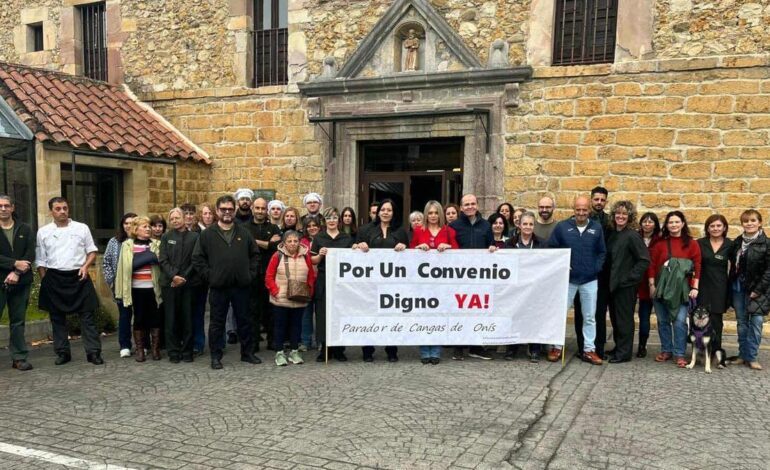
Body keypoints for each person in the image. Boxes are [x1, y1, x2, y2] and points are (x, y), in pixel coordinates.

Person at [192, 195, 261, 369]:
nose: (227, 212)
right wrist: (211, 276)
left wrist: (250, 274)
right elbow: (198, 259)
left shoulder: (244, 232)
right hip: (219, 286)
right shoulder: (208, 234)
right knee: (217, 323)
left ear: (235, 210)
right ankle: (216, 356)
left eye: (230, 209)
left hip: (241, 285)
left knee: (245, 321)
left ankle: (247, 353)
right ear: (217, 211)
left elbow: (255, 256)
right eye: (224, 209)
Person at [36, 197, 103, 366]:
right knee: (57, 318)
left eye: (65, 208)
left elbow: (92, 251)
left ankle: (93, 352)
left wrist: (86, 266)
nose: (62, 211)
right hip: (54, 277)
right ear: (51, 211)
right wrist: (45, 280)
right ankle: (62, 352)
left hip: (79, 276)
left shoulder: (82, 228)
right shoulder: (43, 232)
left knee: (87, 316)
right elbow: (41, 260)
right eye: (58, 209)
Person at [546, 196, 605, 365]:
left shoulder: (596, 228)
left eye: (584, 210)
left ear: (589, 210)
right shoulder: (562, 227)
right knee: (560, 314)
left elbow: (602, 252)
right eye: (578, 209)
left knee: (589, 316)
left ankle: (588, 349)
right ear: (573, 209)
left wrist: (596, 268)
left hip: (589, 280)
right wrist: (562, 265)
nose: (581, 213)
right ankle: (556, 346)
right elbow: (552, 249)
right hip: (568, 280)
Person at [354, 198, 408, 362]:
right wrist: (358, 247)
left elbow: (409, 257)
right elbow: (353, 251)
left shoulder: (400, 231)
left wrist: (404, 248)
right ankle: (367, 350)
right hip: (370, 282)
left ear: (394, 213)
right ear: (378, 212)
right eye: (383, 209)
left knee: (390, 316)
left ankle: (391, 350)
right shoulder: (366, 230)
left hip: (392, 283)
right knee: (369, 315)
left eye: (389, 210)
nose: (386, 212)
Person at [647, 211, 701, 368]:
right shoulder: (659, 244)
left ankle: (679, 353)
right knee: (663, 321)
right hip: (661, 288)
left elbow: (697, 265)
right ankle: (666, 350)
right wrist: (651, 285)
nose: (674, 225)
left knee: (679, 322)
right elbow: (651, 265)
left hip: (681, 289)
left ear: (683, 224)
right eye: (670, 222)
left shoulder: (692, 244)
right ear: (667, 225)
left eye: (677, 222)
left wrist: (695, 286)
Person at [410, 200, 458, 364]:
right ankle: (424, 350)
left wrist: (449, 248)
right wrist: (417, 249)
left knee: (438, 315)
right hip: (422, 283)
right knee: (423, 316)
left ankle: (436, 350)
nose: (433, 216)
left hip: (441, 282)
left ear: (440, 214)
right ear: (426, 214)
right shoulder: (418, 231)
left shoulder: (448, 231)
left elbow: (460, 254)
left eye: (436, 212)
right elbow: (408, 254)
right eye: (429, 213)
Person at [449, 194, 496, 361]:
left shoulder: (485, 225)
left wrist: (492, 248)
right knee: (459, 311)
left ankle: (476, 347)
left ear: (477, 206)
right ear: (461, 208)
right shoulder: (453, 226)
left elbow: (491, 244)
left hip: (479, 277)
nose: (470, 206)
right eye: (466, 204)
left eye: (472, 204)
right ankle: (458, 347)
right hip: (460, 277)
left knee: (478, 312)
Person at [605, 201, 650, 364]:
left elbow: (644, 260)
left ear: (630, 217)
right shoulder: (613, 233)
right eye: (618, 213)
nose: (621, 216)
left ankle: (624, 353)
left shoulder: (632, 235)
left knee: (624, 320)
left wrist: (629, 279)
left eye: (624, 214)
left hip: (625, 286)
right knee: (616, 319)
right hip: (613, 284)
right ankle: (619, 347)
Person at [115, 216, 162, 362]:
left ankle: (155, 349)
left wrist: (149, 257)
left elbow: (160, 261)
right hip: (136, 288)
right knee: (139, 318)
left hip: (153, 288)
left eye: (149, 226)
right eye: (144, 226)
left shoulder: (157, 244)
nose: (148, 229)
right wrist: (147, 257)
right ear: (136, 229)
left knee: (155, 318)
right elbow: (123, 268)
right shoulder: (127, 245)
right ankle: (140, 349)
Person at [265, 230, 316, 366]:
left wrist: (310, 290)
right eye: (289, 241)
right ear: (284, 243)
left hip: (300, 298)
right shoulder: (277, 256)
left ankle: (294, 351)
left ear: (299, 242)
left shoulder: (305, 256)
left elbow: (310, 275)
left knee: (296, 326)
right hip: (281, 299)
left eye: (295, 241)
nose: (293, 244)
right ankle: (279, 352)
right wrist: (275, 291)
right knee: (280, 326)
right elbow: (269, 276)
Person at [311, 207, 354, 362]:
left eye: (334, 218)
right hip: (324, 279)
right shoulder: (319, 238)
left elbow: (353, 259)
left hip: (341, 282)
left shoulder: (346, 238)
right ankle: (325, 348)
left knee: (340, 314)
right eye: (329, 218)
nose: (331, 221)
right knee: (323, 315)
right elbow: (312, 260)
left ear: (339, 220)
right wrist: (320, 255)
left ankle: (339, 349)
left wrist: (355, 249)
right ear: (325, 221)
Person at [729, 209, 770, 370]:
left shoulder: (767, 244)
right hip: (738, 287)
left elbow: (769, 271)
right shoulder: (738, 242)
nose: (749, 223)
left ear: (759, 223)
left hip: (759, 290)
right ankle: (742, 354)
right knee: (741, 322)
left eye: (753, 220)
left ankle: (752, 356)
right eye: (746, 221)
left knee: (757, 322)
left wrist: (758, 290)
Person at [159, 207, 200, 363]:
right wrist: (173, 276)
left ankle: (187, 351)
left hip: (189, 284)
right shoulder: (166, 237)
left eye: (177, 218)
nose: (175, 221)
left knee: (188, 319)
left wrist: (183, 277)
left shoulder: (195, 237)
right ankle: (173, 351)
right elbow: (163, 259)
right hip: (169, 284)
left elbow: (196, 259)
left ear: (184, 218)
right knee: (171, 319)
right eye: (172, 219)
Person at [0, 194, 35, 371]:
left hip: (21, 281)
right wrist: (13, 263)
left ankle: (19, 357)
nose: (3, 209)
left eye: (7, 205)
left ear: (13, 208)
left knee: (18, 321)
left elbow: (30, 254)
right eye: (0, 206)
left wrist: (17, 272)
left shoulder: (25, 228)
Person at [243, 197, 282, 352]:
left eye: (263, 208)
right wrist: (266, 243)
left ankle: (272, 341)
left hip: (270, 274)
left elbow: (277, 246)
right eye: (257, 208)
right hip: (251, 274)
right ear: (253, 208)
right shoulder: (243, 228)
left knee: (271, 310)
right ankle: (253, 343)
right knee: (252, 310)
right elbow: (244, 247)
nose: (260, 211)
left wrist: (254, 241)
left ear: (267, 210)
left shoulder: (274, 228)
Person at [506, 211, 546, 362]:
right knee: (514, 317)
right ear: (519, 225)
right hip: (515, 288)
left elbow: (549, 262)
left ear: (534, 226)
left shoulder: (542, 243)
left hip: (534, 287)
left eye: (531, 224)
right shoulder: (509, 243)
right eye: (525, 224)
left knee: (534, 317)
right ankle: (512, 349)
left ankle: (535, 349)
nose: (528, 227)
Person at [697, 214, 732, 363]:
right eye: (712, 226)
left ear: (724, 227)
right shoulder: (700, 243)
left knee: (717, 321)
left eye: (718, 226)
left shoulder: (731, 244)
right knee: (701, 320)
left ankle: (715, 351)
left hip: (720, 287)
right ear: (707, 228)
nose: (715, 228)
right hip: (703, 287)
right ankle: (701, 351)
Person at [103, 212, 137, 358]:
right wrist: (112, 281)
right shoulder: (114, 242)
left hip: (139, 284)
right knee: (124, 315)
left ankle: (143, 344)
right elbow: (106, 262)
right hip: (120, 286)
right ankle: (125, 345)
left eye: (132, 223)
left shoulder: (142, 240)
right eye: (126, 223)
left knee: (142, 316)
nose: (129, 226)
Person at [635, 212, 661, 358]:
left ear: (655, 224)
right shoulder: (636, 237)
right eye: (645, 221)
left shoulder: (661, 240)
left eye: (650, 222)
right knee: (643, 316)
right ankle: (641, 346)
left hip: (656, 281)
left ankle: (669, 347)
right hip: (638, 281)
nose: (647, 224)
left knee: (662, 317)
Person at [300, 215, 322, 350]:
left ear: (319, 227)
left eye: (314, 225)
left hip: (320, 280)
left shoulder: (324, 239)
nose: (312, 228)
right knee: (306, 313)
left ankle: (321, 341)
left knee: (320, 313)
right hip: (306, 280)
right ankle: (306, 341)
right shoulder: (302, 242)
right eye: (309, 226)